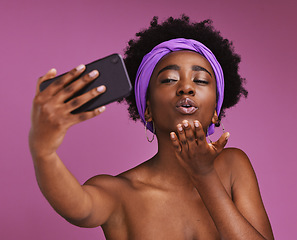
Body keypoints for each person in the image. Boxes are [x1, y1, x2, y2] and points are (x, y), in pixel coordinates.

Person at [29, 16, 274, 239]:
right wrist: (44, 152)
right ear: (147, 110)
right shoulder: (119, 192)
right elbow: (77, 207)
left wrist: (204, 176)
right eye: (169, 80)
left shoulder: (233, 166)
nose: (186, 88)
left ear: (215, 113)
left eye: (200, 80)